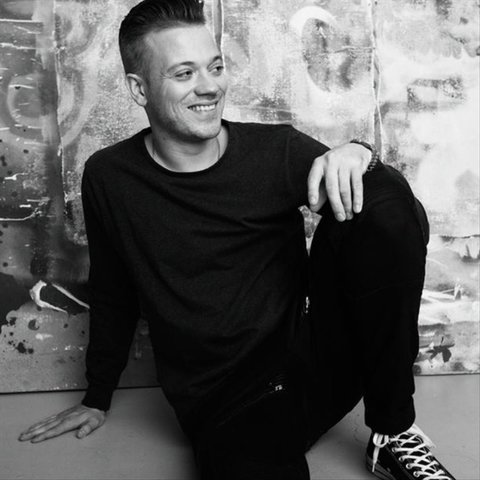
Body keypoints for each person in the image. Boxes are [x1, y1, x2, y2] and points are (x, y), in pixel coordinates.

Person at [19, 1, 455, 479]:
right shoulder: (110, 177)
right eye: (184, 73)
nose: (209, 86)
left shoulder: (276, 149)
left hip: (319, 362)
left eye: (216, 67)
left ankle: (393, 431)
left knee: (384, 200)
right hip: (228, 402)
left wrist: (359, 153)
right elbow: (113, 291)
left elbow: (387, 216)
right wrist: (97, 396)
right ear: (138, 89)